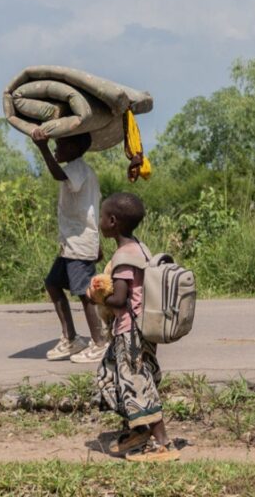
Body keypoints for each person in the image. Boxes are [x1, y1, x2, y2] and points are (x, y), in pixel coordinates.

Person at [89, 192, 179, 462]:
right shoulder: (139, 247)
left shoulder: (123, 257)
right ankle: (139, 429)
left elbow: (119, 299)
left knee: (137, 383)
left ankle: (162, 443)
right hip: (141, 330)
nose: (100, 222)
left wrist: (96, 293)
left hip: (131, 331)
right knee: (109, 373)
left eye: (102, 217)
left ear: (113, 221)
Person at [32, 129, 107, 363]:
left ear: (74, 149)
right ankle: (71, 338)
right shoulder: (80, 170)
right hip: (72, 243)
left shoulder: (77, 168)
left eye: (60, 144)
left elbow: (57, 174)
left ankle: (100, 343)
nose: (56, 148)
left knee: (86, 293)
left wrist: (42, 147)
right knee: (53, 283)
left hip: (79, 243)